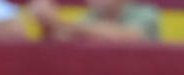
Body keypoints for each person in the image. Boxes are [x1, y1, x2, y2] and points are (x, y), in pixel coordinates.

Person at [29, 0, 160, 42]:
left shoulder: (144, 13)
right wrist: (47, 23)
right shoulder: (90, 16)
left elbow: (130, 36)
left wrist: (59, 23)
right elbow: (66, 39)